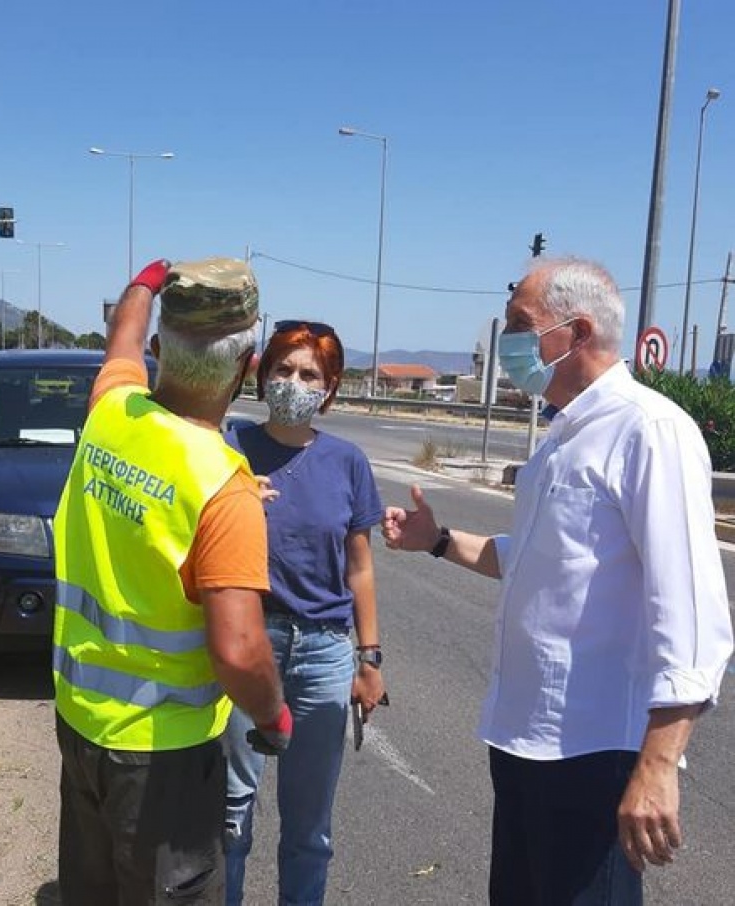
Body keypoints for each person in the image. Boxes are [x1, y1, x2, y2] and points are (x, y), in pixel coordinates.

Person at [382, 258, 733, 905]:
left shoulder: (648, 432)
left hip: (594, 757)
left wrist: (657, 766)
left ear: (576, 333)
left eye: (520, 325)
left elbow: (693, 616)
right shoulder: (558, 441)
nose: (505, 345)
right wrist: (436, 540)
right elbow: (532, 559)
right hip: (524, 744)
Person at [51, 257, 292, 906]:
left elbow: (120, 337)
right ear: (249, 369)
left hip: (81, 729)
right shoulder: (222, 485)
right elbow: (239, 651)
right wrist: (274, 715)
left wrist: (149, 278)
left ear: (160, 351)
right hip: (164, 758)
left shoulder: (113, 413)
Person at [223, 319, 385, 905]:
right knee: (230, 817)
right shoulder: (230, 448)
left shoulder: (347, 463)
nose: (294, 382)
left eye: (309, 374)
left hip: (323, 654)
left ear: (330, 386)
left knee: (309, 829)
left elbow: (359, 568)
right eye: (283, 370)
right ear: (262, 375)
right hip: (247, 644)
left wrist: (369, 659)